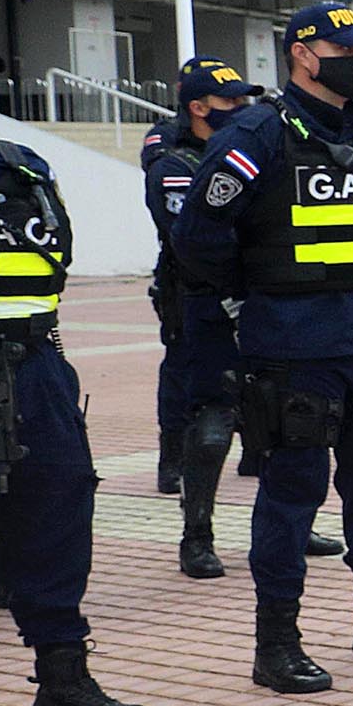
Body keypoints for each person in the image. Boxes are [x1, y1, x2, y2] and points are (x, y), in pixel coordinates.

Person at [173, 4, 353, 695]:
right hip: (296, 346)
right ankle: (278, 643)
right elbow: (198, 235)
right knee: (293, 492)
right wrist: (256, 299)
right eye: (345, 46)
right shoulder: (258, 132)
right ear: (303, 54)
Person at [0, 28, 155, 706]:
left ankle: (63, 686)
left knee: (57, 519)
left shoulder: (23, 168)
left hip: (34, 367)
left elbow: (49, 264)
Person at [145, 59, 261, 578]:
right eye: (229, 101)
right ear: (197, 107)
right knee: (213, 420)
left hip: (265, 300)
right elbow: (192, 237)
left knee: (283, 416)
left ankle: (293, 527)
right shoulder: (174, 163)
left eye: (242, 100)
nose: (240, 110)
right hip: (206, 300)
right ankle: (197, 536)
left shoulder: (249, 154)